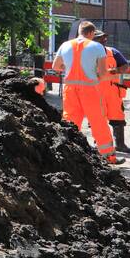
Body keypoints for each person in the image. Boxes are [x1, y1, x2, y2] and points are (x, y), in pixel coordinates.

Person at [52, 21, 120, 163]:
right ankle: (107, 156)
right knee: (98, 121)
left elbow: (56, 66)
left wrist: (69, 67)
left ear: (79, 31)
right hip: (90, 89)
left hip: (70, 89)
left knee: (70, 121)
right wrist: (111, 73)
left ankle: (69, 153)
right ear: (91, 33)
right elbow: (102, 73)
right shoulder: (97, 47)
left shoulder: (65, 45)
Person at [93, 30, 130, 154]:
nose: (103, 40)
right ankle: (99, 145)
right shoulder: (88, 54)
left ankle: (120, 145)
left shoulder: (113, 52)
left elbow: (125, 66)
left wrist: (115, 71)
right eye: (100, 38)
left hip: (113, 91)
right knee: (98, 118)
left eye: (103, 38)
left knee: (118, 117)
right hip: (96, 91)